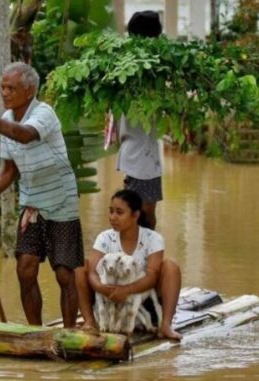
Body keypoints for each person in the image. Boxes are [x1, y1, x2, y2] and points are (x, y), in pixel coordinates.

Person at [0, 62, 84, 328]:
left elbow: (25, 135)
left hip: (61, 200)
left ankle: (70, 332)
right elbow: (8, 170)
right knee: (25, 268)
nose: (4, 92)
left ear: (29, 90)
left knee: (64, 272)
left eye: (11, 88)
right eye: (2, 87)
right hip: (33, 203)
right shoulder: (8, 121)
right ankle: (35, 331)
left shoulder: (44, 113)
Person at [76, 189, 182, 340]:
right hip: (109, 301)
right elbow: (92, 272)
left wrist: (126, 291)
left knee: (171, 266)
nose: (113, 217)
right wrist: (104, 289)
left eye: (119, 212)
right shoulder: (104, 238)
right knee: (79, 266)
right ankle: (90, 321)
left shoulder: (153, 238)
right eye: (111, 211)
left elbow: (152, 276)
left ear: (136, 215)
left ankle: (165, 325)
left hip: (142, 302)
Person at [114, 10, 165, 230]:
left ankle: (145, 258)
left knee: (143, 214)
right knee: (143, 215)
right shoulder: (141, 70)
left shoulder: (137, 66)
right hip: (140, 157)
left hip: (142, 155)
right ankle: (143, 259)